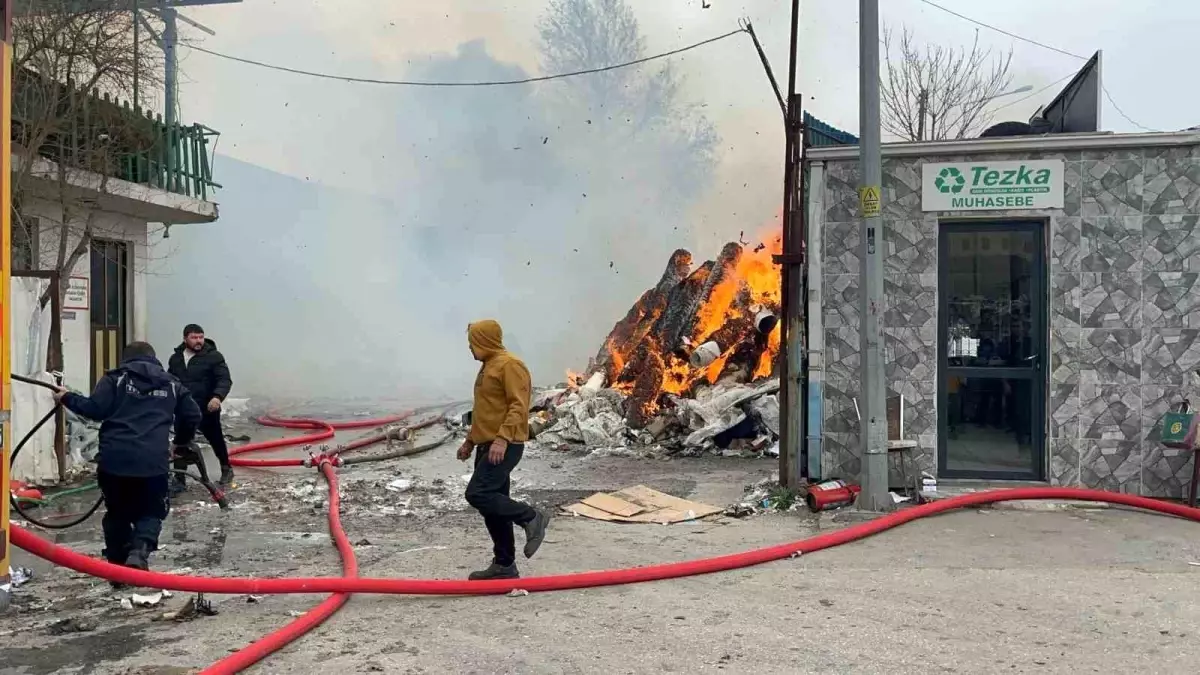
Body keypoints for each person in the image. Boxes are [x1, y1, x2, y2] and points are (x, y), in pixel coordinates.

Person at [53, 342, 201, 575]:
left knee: (117, 513)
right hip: (152, 462)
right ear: (154, 358)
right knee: (152, 511)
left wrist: (66, 398)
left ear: (126, 359)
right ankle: (139, 552)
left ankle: (117, 569)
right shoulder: (172, 384)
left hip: (114, 461)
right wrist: (181, 442)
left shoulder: (115, 379)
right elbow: (192, 414)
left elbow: (95, 409)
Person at [458, 319, 549, 581]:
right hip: (487, 445)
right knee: (493, 507)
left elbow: (518, 406)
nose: (470, 349)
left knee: (478, 493)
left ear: (485, 341)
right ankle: (504, 565)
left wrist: (502, 440)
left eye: (473, 343)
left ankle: (532, 517)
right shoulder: (488, 367)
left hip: (504, 446)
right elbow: (486, 411)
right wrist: (470, 441)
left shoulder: (510, 365)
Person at [167, 324, 235, 490]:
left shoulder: (214, 356)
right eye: (194, 338)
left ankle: (226, 468)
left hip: (207, 407)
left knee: (215, 438)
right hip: (184, 408)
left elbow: (224, 379)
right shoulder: (176, 359)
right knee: (180, 440)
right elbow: (170, 380)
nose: (198, 341)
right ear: (185, 338)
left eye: (201, 337)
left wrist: (217, 397)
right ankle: (180, 478)